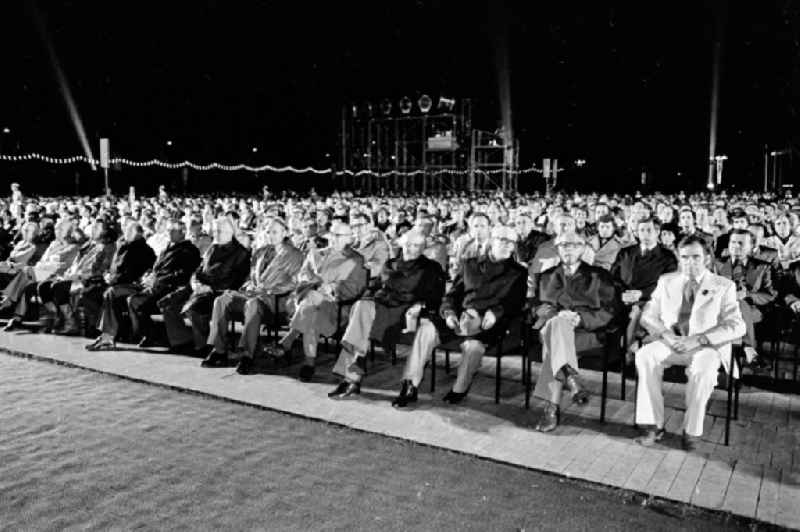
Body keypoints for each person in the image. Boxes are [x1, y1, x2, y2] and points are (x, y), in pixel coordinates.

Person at [392, 225, 527, 407]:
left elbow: (515, 303)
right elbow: (452, 295)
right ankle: (410, 384)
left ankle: (460, 388)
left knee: (473, 348)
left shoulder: (518, 272)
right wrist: (448, 312)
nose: (506, 245)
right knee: (426, 329)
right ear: (491, 241)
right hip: (457, 316)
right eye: (501, 240)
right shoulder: (470, 264)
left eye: (511, 242)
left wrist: (496, 313)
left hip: (487, 323)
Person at [634, 235, 745, 451]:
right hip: (673, 342)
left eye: (696, 257)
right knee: (644, 356)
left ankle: (692, 430)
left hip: (706, 346)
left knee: (702, 371)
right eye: (684, 257)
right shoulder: (667, 281)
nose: (689, 263)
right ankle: (652, 425)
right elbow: (648, 316)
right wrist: (666, 335)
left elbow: (737, 326)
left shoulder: (724, 285)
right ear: (678, 257)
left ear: (707, 258)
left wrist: (700, 339)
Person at [328, 230, 445, 398]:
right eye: (409, 244)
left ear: (423, 248)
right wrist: (368, 296)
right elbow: (374, 285)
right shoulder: (391, 264)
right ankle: (352, 375)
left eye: (417, 245)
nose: (412, 248)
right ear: (402, 244)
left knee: (361, 324)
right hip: (383, 304)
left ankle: (352, 377)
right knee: (361, 306)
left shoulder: (431, 268)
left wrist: (421, 305)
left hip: (407, 312)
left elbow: (436, 296)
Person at [528, 231, 622, 431]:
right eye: (563, 245)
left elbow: (610, 311)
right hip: (551, 327)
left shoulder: (600, 276)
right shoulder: (546, 276)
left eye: (573, 244)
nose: (568, 249)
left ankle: (551, 409)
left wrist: (580, 319)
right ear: (557, 249)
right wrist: (555, 315)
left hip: (586, 333)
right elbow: (535, 306)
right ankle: (570, 378)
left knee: (552, 346)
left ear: (582, 248)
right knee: (556, 327)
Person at [201, 218, 304, 372]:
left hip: (274, 301)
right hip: (253, 295)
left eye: (275, 232)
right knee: (222, 300)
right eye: (268, 231)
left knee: (252, 304)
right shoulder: (261, 252)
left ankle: (248, 355)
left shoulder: (295, 255)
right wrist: (248, 287)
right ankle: (219, 350)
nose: (271, 235)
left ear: (285, 233)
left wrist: (267, 290)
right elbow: (251, 277)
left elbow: (295, 283)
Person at [271, 221, 367, 381]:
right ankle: (306, 362)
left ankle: (295, 347)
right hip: (308, 302)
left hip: (337, 307)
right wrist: (317, 283)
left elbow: (355, 289)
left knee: (311, 307)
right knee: (312, 307)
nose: (333, 238)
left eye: (339, 236)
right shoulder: (317, 254)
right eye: (332, 234)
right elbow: (302, 275)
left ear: (349, 239)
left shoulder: (356, 260)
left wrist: (332, 289)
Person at [160, 217, 250, 355]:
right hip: (199, 287)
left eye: (220, 231)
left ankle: (204, 346)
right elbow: (199, 269)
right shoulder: (213, 248)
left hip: (219, 291)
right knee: (168, 302)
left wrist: (209, 288)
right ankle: (182, 340)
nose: (216, 234)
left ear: (230, 232)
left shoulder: (241, 253)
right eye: (215, 231)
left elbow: (235, 281)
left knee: (195, 308)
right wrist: (195, 282)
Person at [126, 220, 202, 347]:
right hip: (157, 286)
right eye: (168, 230)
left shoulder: (189, 250)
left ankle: (177, 340)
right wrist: (149, 275)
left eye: (172, 231)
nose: (168, 233)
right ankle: (149, 334)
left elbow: (184, 274)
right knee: (132, 300)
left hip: (171, 287)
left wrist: (159, 279)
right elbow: (156, 268)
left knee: (139, 302)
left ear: (182, 233)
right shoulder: (166, 248)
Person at [84, 222, 156, 351]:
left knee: (110, 293)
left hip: (135, 285)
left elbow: (132, 273)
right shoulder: (125, 247)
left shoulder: (142, 250)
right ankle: (106, 335)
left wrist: (112, 280)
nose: (125, 234)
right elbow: (116, 268)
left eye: (128, 232)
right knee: (100, 292)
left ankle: (107, 336)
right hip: (120, 283)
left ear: (137, 234)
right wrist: (108, 276)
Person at [610, 216, 678, 352]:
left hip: (649, 300)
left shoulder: (667, 257)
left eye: (649, 230)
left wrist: (641, 294)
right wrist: (623, 294)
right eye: (641, 230)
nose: (644, 234)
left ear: (657, 232)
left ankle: (627, 353)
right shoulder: (626, 252)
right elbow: (613, 277)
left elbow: (668, 286)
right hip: (622, 297)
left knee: (636, 313)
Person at [2, 219, 81, 331]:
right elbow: (42, 261)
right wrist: (45, 265)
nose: (57, 231)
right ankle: (17, 317)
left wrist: (46, 265)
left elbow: (64, 266)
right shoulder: (53, 244)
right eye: (56, 228)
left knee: (27, 271)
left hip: (56, 275)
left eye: (60, 229)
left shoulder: (73, 247)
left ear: (68, 231)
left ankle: (8, 300)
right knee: (28, 286)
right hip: (42, 272)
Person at [714, 229, 777, 363]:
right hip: (721, 308)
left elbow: (770, 295)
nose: (736, 246)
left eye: (741, 243)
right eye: (733, 242)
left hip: (752, 309)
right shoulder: (717, 264)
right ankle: (749, 348)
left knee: (741, 306)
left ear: (752, 247)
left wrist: (747, 295)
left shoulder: (763, 267)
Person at [351, 211, 391, 278]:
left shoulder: (380, 243)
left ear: (369, 225)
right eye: (354, 226)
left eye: (360, 225)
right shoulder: (350, 242)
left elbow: (375, 268)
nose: (357, 229)